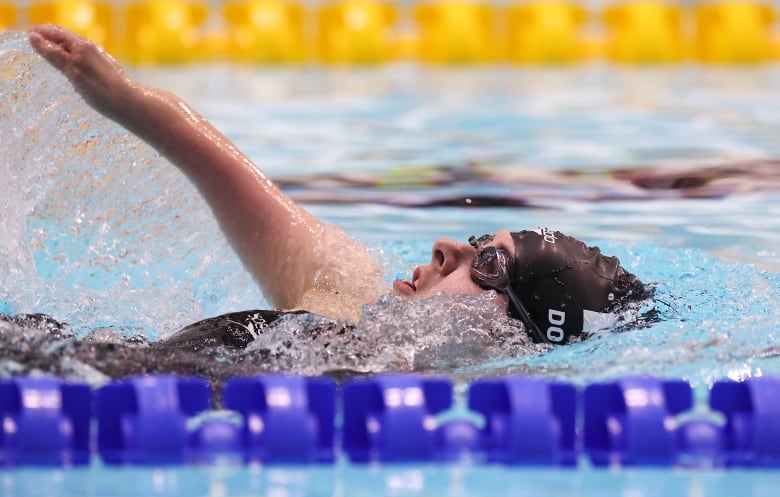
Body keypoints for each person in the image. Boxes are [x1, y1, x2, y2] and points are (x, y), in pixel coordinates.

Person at [27, 25, 648, 346]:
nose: (444, 246)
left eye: (487, 263)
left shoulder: (404, 413)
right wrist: (122, 97)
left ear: (511, 334)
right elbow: (241, 186)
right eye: (476, 239)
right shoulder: (351, 291)